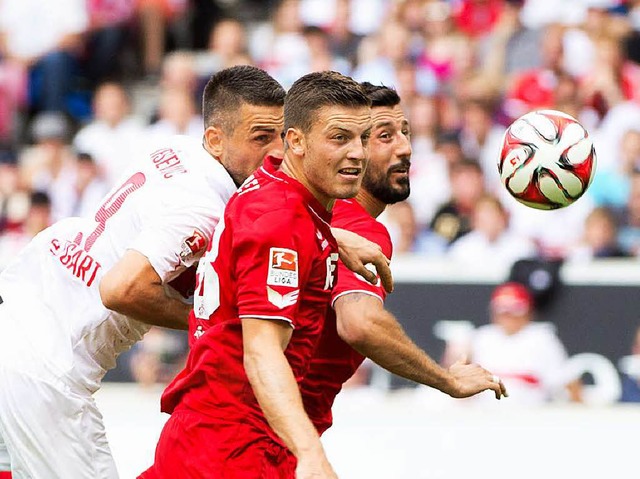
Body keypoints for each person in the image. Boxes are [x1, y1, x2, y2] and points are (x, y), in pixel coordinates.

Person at [0, 65, 287, 479]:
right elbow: (122, 289)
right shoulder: (202, 207)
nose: (277, 150)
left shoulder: (178, 149)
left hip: (18, 321)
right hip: (48, 372)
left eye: (281, 135)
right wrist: (206, 322)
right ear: (215, 140)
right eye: (261, 138)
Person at [139, 71, 373, 479]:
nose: (357, 153)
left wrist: (330, 237)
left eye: (363, 138)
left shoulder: (266, 187)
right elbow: (262, 351)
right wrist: (310, 453)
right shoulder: (281, 222)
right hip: (235, 445)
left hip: (209, 432)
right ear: (295, 141)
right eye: (339, 138)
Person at [300, 83, 507, 438]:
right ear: (352, 149)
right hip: (252, 440)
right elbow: (359, 323)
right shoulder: (358, 227)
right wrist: (446, 380)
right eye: (386, 136)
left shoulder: (304, 210)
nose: (406, 148)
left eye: (406, 132)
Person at [465, 282, 581, 406]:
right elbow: (461, 384)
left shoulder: (541, 338)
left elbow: (567, 381)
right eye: (502, 308)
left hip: (530, 415)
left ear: (528, 311)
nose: (508, 315)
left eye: (515, 309)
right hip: (484, 414)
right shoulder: (482, 337)